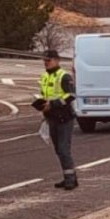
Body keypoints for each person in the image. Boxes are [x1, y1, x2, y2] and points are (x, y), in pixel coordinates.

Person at [39, 49, 77, 190]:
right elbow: (45, 94)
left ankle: (70, 180)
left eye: (48, 60)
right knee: (58, 150)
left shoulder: (64, 76)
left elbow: (71, 95)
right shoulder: (45, 77)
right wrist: (41, 105)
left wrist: (53, 104)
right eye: (44, 61)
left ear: (56, 60)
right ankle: (69, 176)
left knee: (63, 149)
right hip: (51, 118)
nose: (46, 63)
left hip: (64, 118)